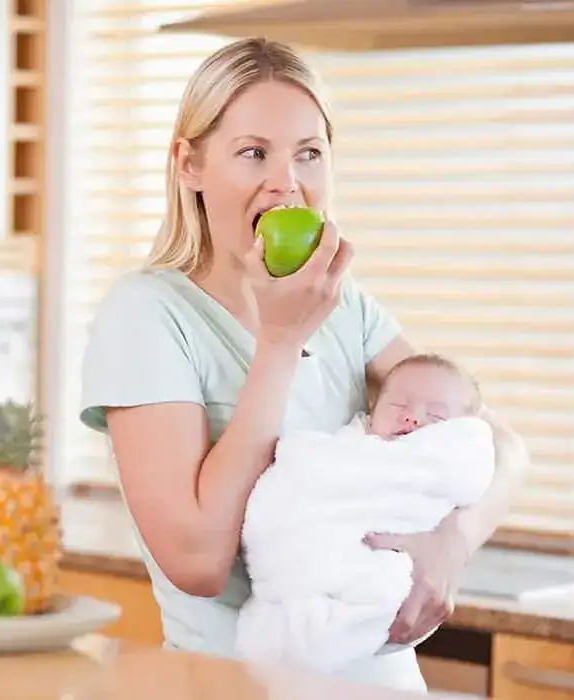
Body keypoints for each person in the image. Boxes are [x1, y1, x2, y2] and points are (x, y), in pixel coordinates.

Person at [77, 37, 530, 692]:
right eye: (253, 152)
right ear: (189, 164)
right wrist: (281, 342)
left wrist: (450, 545)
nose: (286, 181)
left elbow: (502, 445)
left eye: (308, 154)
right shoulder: (146, 314)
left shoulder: (344, 306)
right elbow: (197, 561)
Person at [234, 353, 497, 674]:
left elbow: (480, 467)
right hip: (300, 565)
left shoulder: (445, 460)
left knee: (382, 593)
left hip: (380, 580)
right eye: (398, 405)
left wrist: (452, 542)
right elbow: (299, 476)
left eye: (436, 417)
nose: (412, 417)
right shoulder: (344, 448)